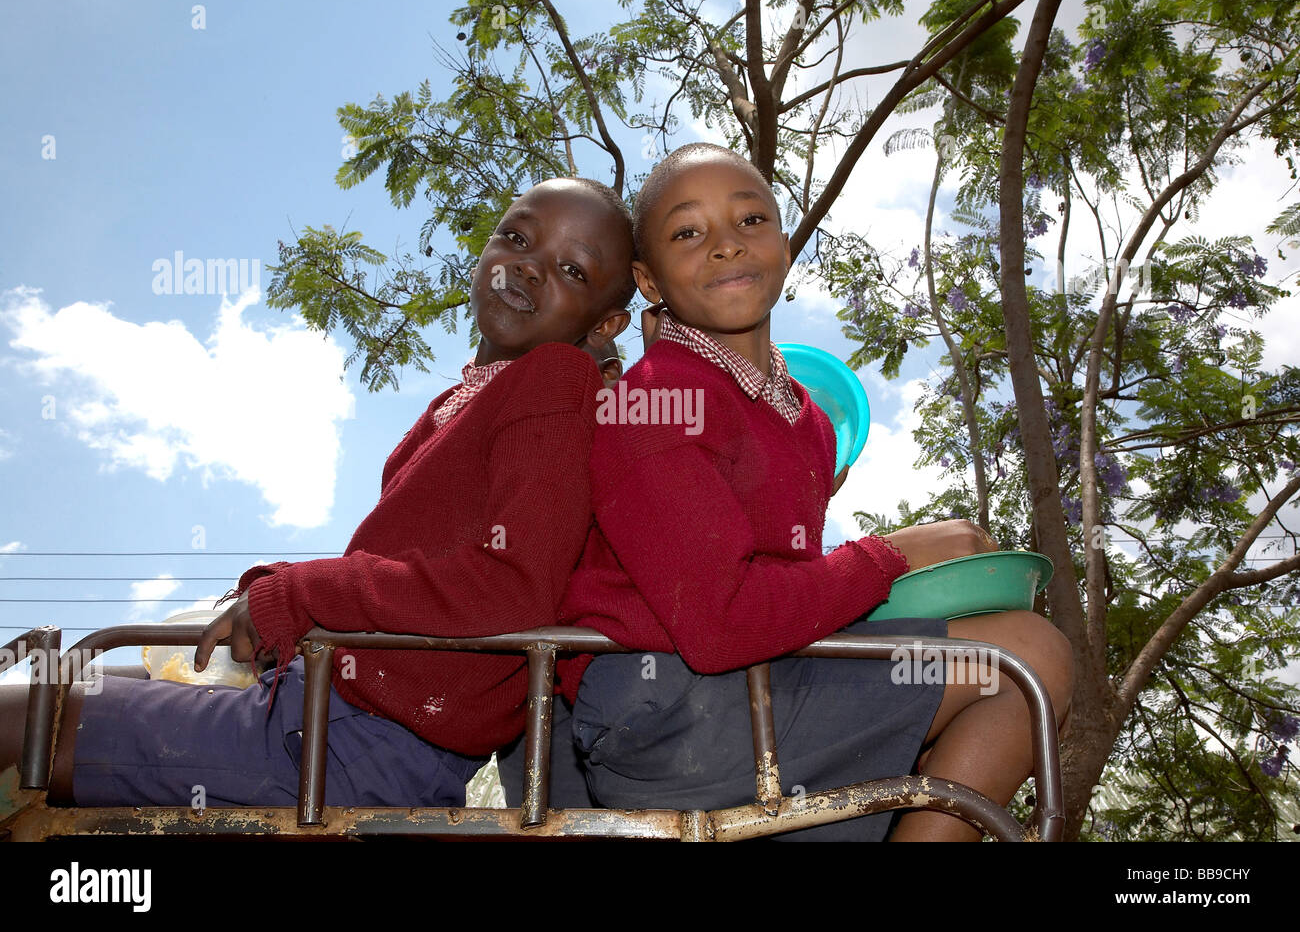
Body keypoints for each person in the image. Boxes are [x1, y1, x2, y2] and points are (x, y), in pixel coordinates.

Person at [0, 176, 634, 811]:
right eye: (516, 238)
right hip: (331, 701)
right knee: (74, 679)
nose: (527, 269)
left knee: (25, 718)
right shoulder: (461, 400)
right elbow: (406, 566)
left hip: (361, 739)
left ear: (606, 324)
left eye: (571, 271)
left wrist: (303, 592)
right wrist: (280, 586)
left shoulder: (557, 380)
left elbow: (513, 589)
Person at [555, 143, 1073, 841]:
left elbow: (786, 593)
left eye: (750, 220)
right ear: (647, 279)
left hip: (759, 679)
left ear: (786, 246)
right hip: (664, 709)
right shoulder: (656, 398)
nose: (724, 246)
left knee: (999, 672)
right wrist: (894, 553)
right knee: (1027, 657)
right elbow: (722, 623)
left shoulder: (809, 421)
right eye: (688, 232)